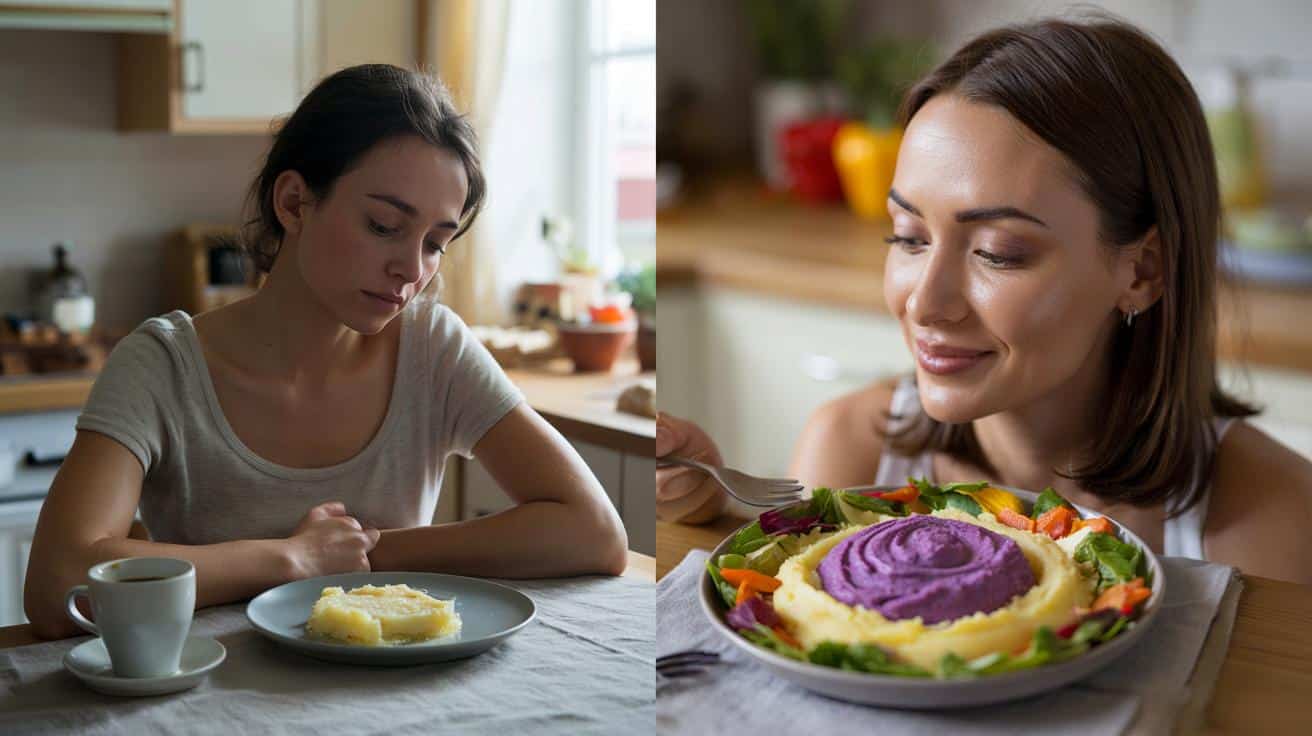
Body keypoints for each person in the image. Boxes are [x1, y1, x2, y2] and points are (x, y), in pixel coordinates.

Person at [657, 16, 1312, 585]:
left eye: (998, 252)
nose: (928, 303)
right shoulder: (847, 457)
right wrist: (713, 514)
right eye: (908, 237)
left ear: (1142, 270)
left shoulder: (1270, 522)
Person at [26, 64, 629, 640]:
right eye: (384, 226)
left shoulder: (433, 349)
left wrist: (364, 552)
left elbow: (595, 533)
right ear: (293, 203)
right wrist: (287, 559)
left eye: (436, 243)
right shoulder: (161, 365)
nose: (410, 268)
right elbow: (58, 586)